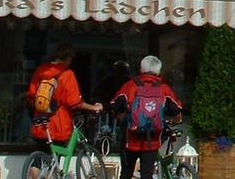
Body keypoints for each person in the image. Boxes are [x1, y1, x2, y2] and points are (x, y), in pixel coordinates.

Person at [25, 43, 104, 177]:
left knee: (38, 160)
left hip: (41, 121)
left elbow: (31, 96)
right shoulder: (67, 73)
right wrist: (94, 107)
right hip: (59, 124)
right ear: (68, 57)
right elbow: (74, 102)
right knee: (55, 161)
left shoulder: (41, 70)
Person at [111, 55, 182, 179]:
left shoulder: (130, 86)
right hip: (152, 141)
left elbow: (115, 104)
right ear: (159, 71)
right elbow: (176, 108)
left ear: (141, 68)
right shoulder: (163, 88)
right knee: (147, 174)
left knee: (126, 173)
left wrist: (121, 115)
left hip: (130, 139)